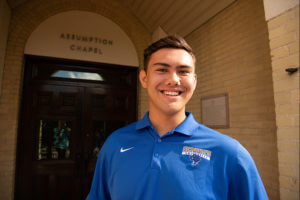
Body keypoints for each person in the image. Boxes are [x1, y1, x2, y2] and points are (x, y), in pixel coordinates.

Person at [86, 35, 268, 199]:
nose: (174, 80)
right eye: (162, 70)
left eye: (183, 71)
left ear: (194, 81)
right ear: (144, 79)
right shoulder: (115, 144)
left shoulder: (229, 153)